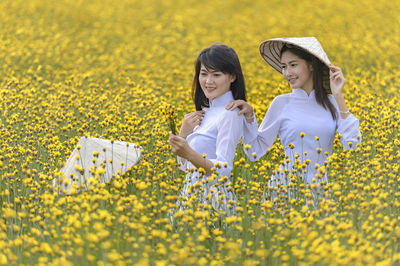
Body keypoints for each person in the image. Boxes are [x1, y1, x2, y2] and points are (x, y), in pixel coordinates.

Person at [226, 37, 361, 202]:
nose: (287, 73)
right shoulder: (281, 103)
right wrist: (249, 118)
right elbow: (254, 152)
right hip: (284, 189)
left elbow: (353, 146)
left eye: (293, 65)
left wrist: (339, 96)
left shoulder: (333, 104)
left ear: (311, 65)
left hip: (319, 191)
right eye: (283, 67)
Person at [169, 43, 247, 216]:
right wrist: (183, 134)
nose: (208, 81)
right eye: (203, 74)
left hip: (214, 202)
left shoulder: (230, 113)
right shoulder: (204, 114)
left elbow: (224, 169)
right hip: (190, 197)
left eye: (216, 75)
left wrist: (189, 152)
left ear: (232, 77)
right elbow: (185, 168)